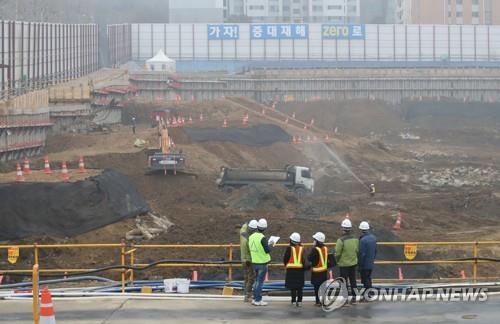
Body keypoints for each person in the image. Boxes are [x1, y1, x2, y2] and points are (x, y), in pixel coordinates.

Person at [335, 219, 359, 304]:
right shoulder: (355, 239)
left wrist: (337, 261)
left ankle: (345, 299)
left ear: (343, 229)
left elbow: (337, 253)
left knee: (344, 282)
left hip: (344, 264)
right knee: (353, 281)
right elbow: (357, 250)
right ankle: (354, 297)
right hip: (353, 263)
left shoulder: (341, 240)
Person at [249, 218, 272, 306]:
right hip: (262, 263)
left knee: (256, 281)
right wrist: (270, 244)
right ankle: (258, 300)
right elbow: (267, 250)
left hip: (254, 262)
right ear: (265, 228)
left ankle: (254, 299)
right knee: (259, 282)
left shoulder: (251, 237)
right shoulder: (262, 238)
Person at [283, 232, 305, 307]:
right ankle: (300, 301)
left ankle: (293, 301)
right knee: (299, 287)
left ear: (291, 240)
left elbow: (285, 259)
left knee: (293, 287)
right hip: (300, 270)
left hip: (291, 270)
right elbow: (303, 260)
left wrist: (287, 265)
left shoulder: (289, 248)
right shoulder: (301, 248)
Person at [308, 232, 328, 306]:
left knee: (317, 287)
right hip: (324, 271)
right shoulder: (325, 248)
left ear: (317, 241)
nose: (313, 241)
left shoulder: (315, 249)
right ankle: (324, 301)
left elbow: (309, 258)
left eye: (314, 240)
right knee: (323, 287)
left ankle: (318, 301)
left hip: (317, 272)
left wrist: (313, 248)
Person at [240, 219, 258, 303]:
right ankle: (248, 295)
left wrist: (246, 223)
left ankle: (245, 294)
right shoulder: (249, 239)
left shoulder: (242, 231)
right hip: (248, 260)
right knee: (251, 278)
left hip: (243, 259)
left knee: (246, 277)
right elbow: (252, 250)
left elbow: (244, 226)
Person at [358, 221, 377, 300]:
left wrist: (360, 265)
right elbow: (376, 251)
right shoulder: (373, 238)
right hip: (370, 263)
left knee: (365, 280)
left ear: (361, 230)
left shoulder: (362, 240)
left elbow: (362, 254)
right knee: (368, 278)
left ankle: (368, 295)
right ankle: (369, 293)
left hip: (365, 264)